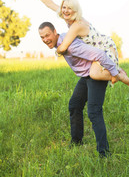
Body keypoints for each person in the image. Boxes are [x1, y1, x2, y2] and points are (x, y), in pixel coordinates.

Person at [38, 21, 123, 158]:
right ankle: (77, 142)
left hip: (96, 73)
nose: (45, 39)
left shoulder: (71, 46)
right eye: (42, 37)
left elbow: (100, 54)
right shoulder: (62, 42)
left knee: (94, 112)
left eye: (47, 35)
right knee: (75, 105)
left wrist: (114, 73)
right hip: (86, 75)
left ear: (55, 32)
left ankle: (104, 153)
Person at [26, 0, 129, 86]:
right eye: (64, 7)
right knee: (94, 72)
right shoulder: (68, 17)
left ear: (75, 10)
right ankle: (117, 69)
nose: (65, 11)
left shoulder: (76, 25)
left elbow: (62, 47)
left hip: (105, 48)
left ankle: (119, 75)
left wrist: (57, 52)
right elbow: (49, 3)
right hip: (97, 50)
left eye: (69, 8)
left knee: (94, 74)